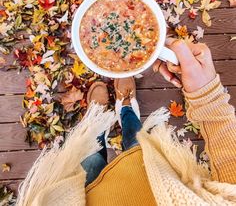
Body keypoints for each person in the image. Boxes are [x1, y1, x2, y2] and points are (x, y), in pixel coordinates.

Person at [16, 40, 236, 206]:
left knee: (91, 155)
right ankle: (126, 108)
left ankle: (99, 121)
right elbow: (231, 179)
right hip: (150, 174)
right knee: (135, 137)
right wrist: (206, 94)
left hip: (85, 195)